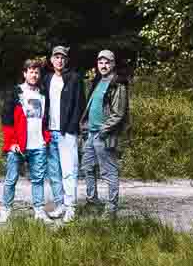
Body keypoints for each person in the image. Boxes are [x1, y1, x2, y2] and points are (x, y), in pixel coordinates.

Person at [0, 57, 51, 224]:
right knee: (11, 179)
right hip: (18, 146)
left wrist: (46, 138)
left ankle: (39, 211)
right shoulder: (16, 93)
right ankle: (5, 210)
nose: (34, 75)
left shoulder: (42, 94)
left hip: (38, 144)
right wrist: (11, 143)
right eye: (31, 71)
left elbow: (46, 119)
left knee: (38, 179)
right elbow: (6, 120)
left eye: (36, 72)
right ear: (25, 73)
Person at [79, 48, 131, 219]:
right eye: (100, 62)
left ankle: (111, 207)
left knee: (109, 172)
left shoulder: (118, 84)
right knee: (87, 168)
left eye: (107, 62)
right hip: (90, 134)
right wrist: (85, 128)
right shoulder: (97, 82)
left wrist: (103, 131)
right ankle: (92, 202)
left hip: (104, 135)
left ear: (113, 64)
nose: (103, 65)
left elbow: (118, 114)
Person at [43, 46, 84, 222]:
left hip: (66, 132)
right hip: (50, 132)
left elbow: (79, 105)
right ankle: (59, 205)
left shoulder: (74, 78)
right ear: (51, 60)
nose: (59, 60)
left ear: (66, 61)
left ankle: (71, 208)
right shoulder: (47, 79)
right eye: (56, 57)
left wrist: (72, 128)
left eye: (62, 58)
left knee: (69, 171)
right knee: (54, 173)